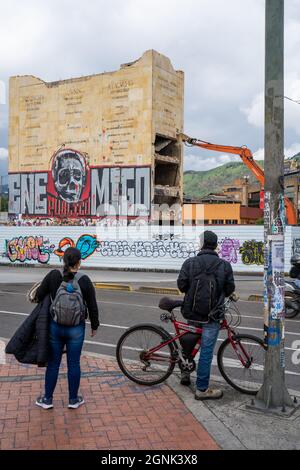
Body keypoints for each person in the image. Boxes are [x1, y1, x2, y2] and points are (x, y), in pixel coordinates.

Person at [35, 247, 100, 410]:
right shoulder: (84, 280)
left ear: (63, 260)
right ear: (79, 262)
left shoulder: (53, 275)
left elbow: (39, 295)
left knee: (54, 364)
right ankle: (73, 400)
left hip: (55, 327)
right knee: (73, 364)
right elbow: (92, 305)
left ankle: (47, 399)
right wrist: (94, 325)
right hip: (76, 329)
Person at [177, 230, 235, 400]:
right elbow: (230, 288)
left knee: (189, 343)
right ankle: (201, 388)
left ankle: (185, 374)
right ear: (215, 245)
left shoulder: (190, 263)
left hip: (192, 313)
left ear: (201, 244)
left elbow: (181, 285)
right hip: (213, 315)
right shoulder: (224, 265)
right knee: (207, 351)